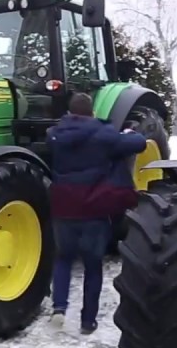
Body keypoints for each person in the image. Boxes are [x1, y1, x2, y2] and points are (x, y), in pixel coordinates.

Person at [46, 92, 149, 333]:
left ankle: (59, 308)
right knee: (93, 266)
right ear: (92, 112)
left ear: (70, 113)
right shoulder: (104, 136)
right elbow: (139, 144)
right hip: (94, 211)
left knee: (63, 259)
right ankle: (87, 321)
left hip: (63, 209)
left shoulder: (54, 135)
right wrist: (131, 133)